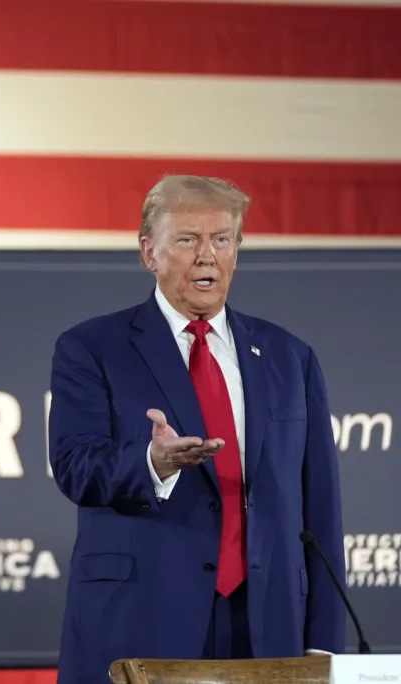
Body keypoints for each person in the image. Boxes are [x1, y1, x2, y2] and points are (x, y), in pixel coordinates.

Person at [47, 175, 345, 683]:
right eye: (187, 240)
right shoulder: (92, 347)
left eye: (222, 239)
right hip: (144, 613)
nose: (207, 255)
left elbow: (320, 510)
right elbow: (75, 466)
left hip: (268, 622)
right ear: (149, 252)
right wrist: (151, 462)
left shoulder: (289, 356)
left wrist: (325, 645)